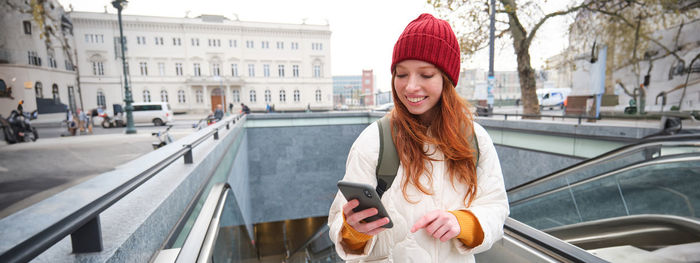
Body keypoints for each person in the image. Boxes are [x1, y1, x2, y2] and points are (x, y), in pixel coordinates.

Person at [327, 14, 508, 262]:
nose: (411, 86)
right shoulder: (374, 140)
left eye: (425, 75)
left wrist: (463, 222)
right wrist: (353, 231)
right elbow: (339, 223)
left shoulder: (476, 139)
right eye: (401, 75)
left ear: (447, 79)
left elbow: (496, 208)